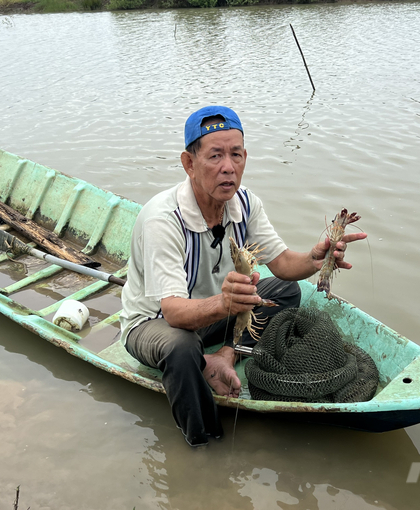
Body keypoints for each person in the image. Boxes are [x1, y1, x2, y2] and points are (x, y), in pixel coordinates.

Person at [120, 106, 366, 446]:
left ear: (245, 158)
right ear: (189, 164)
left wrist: (314, 258)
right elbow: (174, 312)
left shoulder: (245, 203)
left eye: (235, 155)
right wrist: (225, 303)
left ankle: (227, 354)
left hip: (214, 315)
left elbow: (281, 265)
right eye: (215, 156)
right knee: (182, 348)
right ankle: (203, 442)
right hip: (156, 323)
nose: (228, 167)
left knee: (285, 290)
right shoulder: (163, 220)